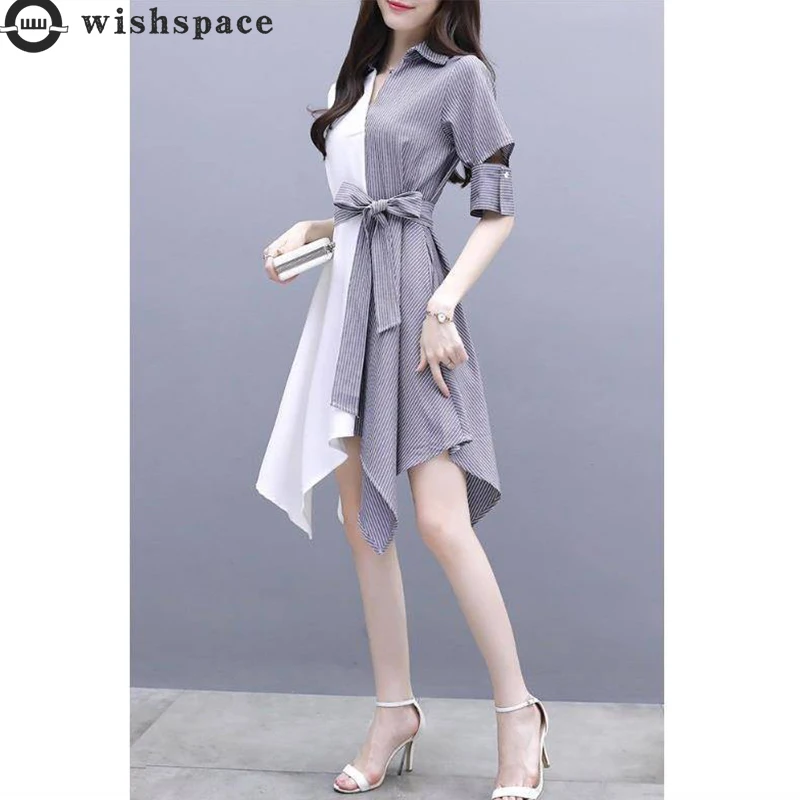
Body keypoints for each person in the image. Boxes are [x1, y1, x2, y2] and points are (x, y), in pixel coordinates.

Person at [258, 2, 550, 798]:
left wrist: (443, 305)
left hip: (416, 303)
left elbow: (498, 212)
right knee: (362, 523)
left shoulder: (459, 77)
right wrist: (312, 228)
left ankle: (519, 714)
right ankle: (394, 711)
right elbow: (366, 205)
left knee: (440, 522)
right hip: (348, 305)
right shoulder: (357, 78)